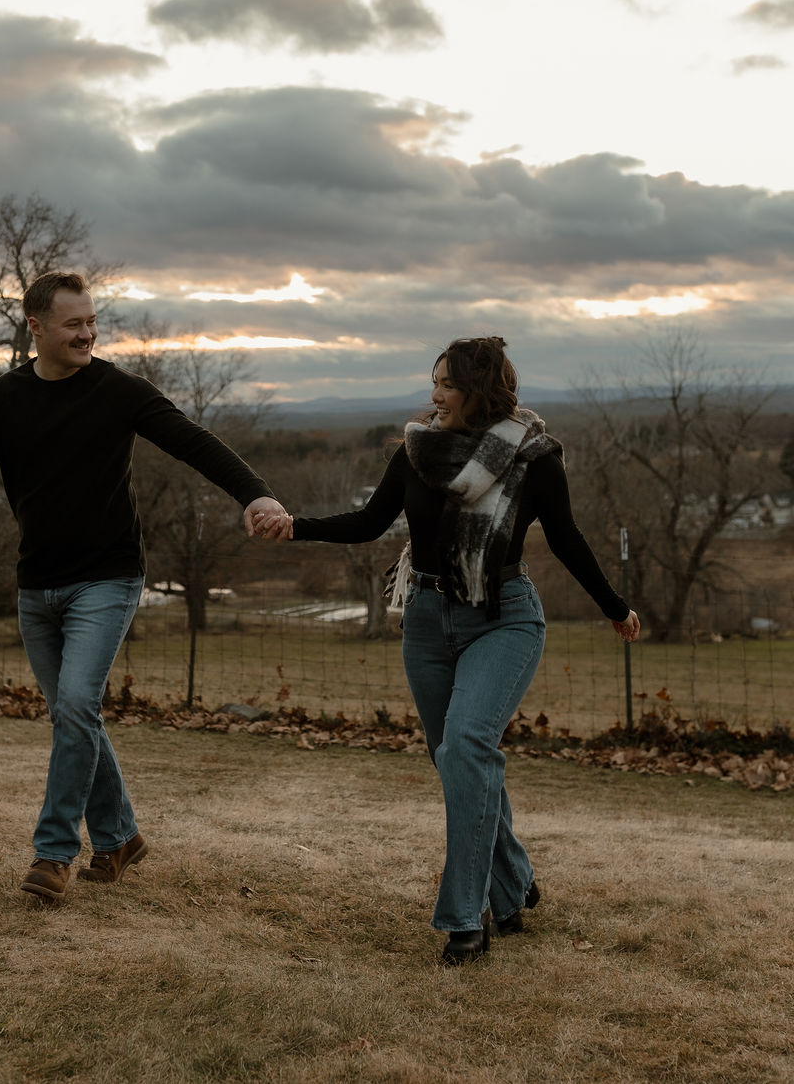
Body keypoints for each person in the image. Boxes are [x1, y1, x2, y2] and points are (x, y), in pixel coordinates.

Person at [252, 336, 639, 965]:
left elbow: (567, 539)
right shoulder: (416, 451)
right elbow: (368, 523)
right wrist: (295, 524)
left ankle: (467, 918)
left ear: (479, 392)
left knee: (465, 745)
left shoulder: (533, 460)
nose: (434, 395)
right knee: (459, 759)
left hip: (503, 616)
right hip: (428, 619)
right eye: (433, 382)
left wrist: (614, 606)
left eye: (447, 385)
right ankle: (514, 883)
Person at [0, 271, 286, 902]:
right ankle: (121, 836)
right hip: (36, 583)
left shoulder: (117, 390)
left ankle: (52, 854)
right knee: (75, 715)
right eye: (73, 323)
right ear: (36, 328)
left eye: (92, 320)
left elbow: (193, 442)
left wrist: (255, 492)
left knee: (75, 706)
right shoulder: (1, 400)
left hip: (107, 576)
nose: (88, 332)